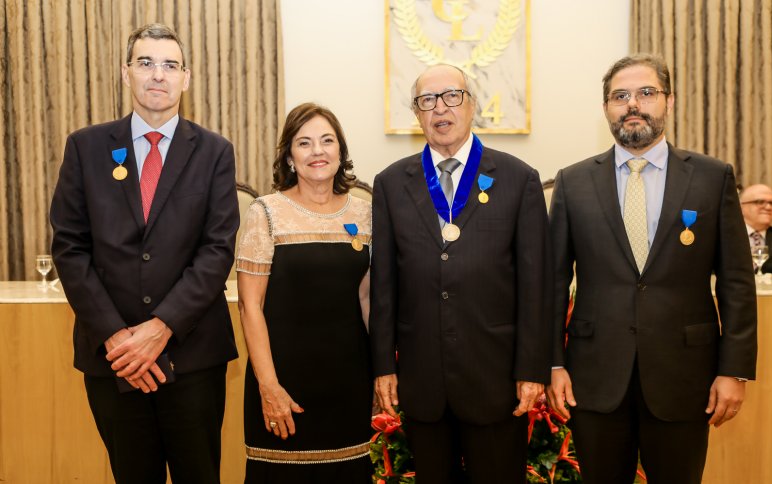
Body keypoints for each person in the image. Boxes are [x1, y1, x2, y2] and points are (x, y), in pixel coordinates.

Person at [546, 53, 758, 484]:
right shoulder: (573, 182)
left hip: (685, 377)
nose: (633, 104)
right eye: (620, 96)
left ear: (669, 101)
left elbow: (737, 282)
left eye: (646, 93)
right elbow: (551, 284)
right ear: (606, 107)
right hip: (595, 376)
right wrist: (552, 364)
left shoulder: (712, 178)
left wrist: (733, 370)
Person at [50, 24, 239, 484]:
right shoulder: (86, 147)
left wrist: (161, 328)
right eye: (146, 63)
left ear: (186, 78)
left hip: (192, 356)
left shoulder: (214, 152)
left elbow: (217, 250)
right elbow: (69, 247)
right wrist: (116, 337)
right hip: (114, 360)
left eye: (170, 65)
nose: (158, 75)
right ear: (126, 73)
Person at [370, 64, 553, 483]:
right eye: (427, 101)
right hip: (423, 382)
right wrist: (383, 366)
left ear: (471, 105)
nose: (440, 109)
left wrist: (532, 369)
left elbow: (535, 285)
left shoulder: (517, 179)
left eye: (452, 96)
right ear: (417, 113)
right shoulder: (392, 183)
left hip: (496, 381)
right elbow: (384, 286)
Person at [236, 103, 373, 483]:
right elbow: (251, 307)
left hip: (348, 384)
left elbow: (366, 300)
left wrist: (381, 374)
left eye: (327, 141)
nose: (318, 151)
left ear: (341, 152)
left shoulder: (365, 214)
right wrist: (268, 386)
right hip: (283, 382)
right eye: (305, 142)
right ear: (290, 156)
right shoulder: (265, 213)